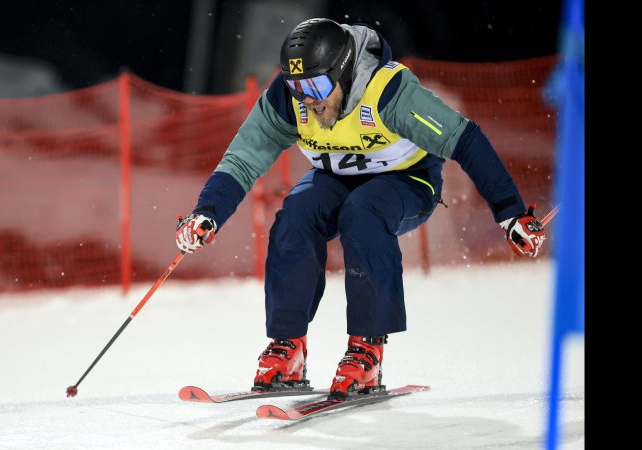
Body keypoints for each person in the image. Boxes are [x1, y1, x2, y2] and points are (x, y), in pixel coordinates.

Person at [174, 18, 546, 399]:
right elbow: (243, 158)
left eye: (317, 87)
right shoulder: (289, 100)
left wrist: (511, 213)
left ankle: (367, 351)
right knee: (295, 215)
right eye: (298, 88)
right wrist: (208, 211)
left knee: (363, 212)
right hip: (337, 178)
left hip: (408, 181)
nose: (308, 100)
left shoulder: (387, 92)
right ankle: (288, 348)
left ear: (342, 71)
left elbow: (464, 139)